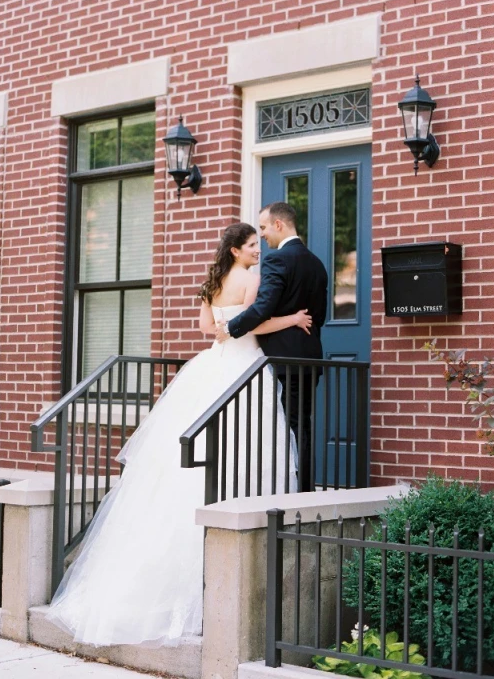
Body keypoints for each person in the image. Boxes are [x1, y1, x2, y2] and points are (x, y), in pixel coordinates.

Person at [46, 223, 313, 648]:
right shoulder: (251, 278)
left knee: (184, 463)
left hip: (211, 364)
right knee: (247, 448)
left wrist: (226, 329)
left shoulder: (213, 281)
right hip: (245, 368)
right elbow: (256, 322)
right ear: (235, 250)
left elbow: (208, 328)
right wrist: (293, 318)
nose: (256, 252)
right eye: (249, 246)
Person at [216, 202, 328, 492]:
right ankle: (303, 488)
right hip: (309, 356)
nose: (262, 235)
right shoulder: (317, 263)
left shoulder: (278, 260)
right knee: (300, 425)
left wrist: (230, 328)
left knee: (284, 428)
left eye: (264, 227)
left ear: (279, 224)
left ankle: (292, 492)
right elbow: (321, 317)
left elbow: (263, 307)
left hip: (282, 359)